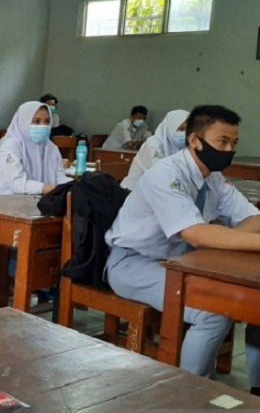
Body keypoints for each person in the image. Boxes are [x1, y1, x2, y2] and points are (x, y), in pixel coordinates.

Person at [105, 105, 260, 395]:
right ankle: (191, 394)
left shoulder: (213, 178)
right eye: (222, 142)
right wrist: (222, 238)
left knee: (252, 299)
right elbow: (195, 234)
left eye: (234, 143)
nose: (229, 150)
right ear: (194, 141)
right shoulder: (166, 174)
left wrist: (227, 238)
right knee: (213, 312)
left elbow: (253, 218)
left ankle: (257, 391)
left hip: (184, 263)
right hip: (134, 264)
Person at [0, 101, 71, 196]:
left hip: (34, 200)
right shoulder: (10, 147)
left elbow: (60, 178)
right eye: (36, 121)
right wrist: (53, 188)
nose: (43, 126)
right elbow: (18, 184)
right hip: (1, 200)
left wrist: (73, 185)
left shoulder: (51, 148)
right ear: (23, 122)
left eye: (47, 121)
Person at [121, 109, 189, 191]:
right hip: (134, 190)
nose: (184, 133)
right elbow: (161, 173)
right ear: (170, 128)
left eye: (187, 130)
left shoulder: (180, 146)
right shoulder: (154, 144)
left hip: (157, 189)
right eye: (181, 129)